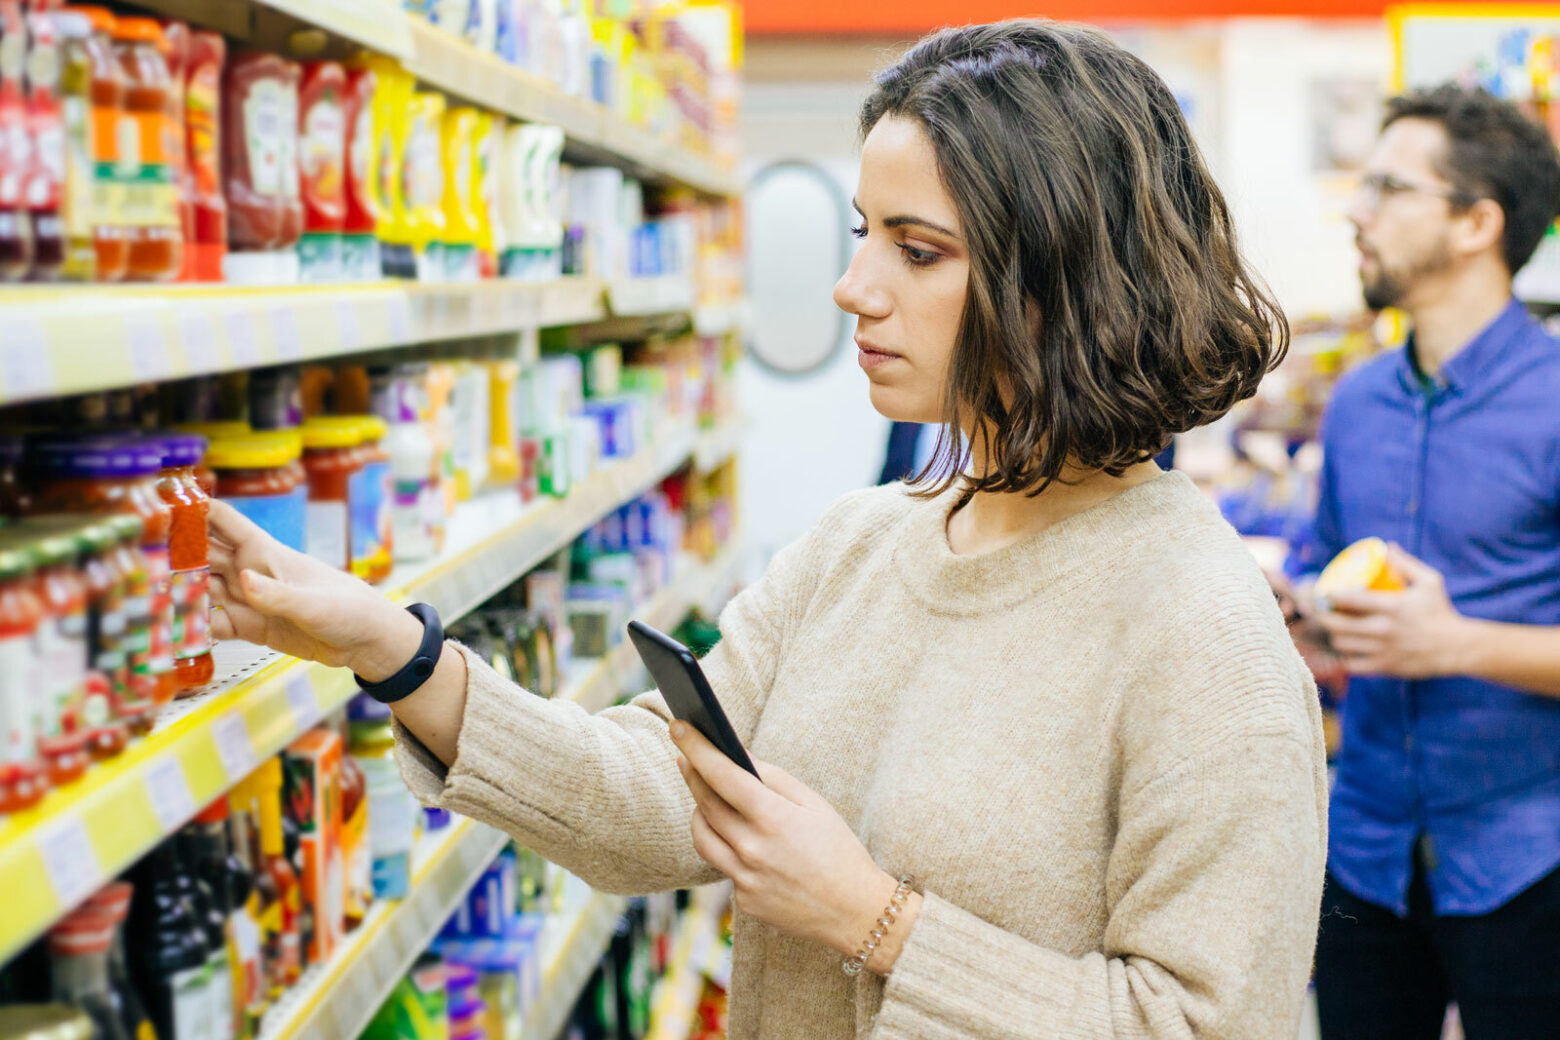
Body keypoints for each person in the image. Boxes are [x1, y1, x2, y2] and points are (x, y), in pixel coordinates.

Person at [208, 21, 1326, 1039]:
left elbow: (1207, 1021)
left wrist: (874, 920)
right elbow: (659, 795)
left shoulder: (1199, 628)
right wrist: (390, 650)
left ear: (1063, 278)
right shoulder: (859, 545)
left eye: (917, 250)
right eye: (861, 234)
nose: (851, 287)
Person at [1286, 85, 1560, 1039]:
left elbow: (1438, 639)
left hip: (1528, 857)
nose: (1357, 213)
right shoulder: (1357, 403)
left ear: (1478, 222)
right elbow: (1329, 579)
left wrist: (1454, 644)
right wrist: (1300, 608)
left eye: (1388, 188)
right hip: (1363, 851)